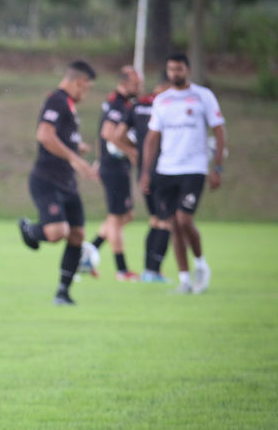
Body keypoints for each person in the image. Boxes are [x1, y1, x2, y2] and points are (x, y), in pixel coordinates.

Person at [139, 53, 227, 294]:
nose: (174, 73)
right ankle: (185, 279)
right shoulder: (162, 100)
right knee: (173, 225)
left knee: (184, 219)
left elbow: (219, 131)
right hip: (166, 169)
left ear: (187, 70)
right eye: (171, 69)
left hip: (194, 168)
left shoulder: (203, 96)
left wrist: (217, 167)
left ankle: (200, 264)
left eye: (178, 69)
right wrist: (146, 172)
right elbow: (152, 138)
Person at [18, 60, 99, 305]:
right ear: (80, 82)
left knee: (77, 235)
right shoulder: (57, 100)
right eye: (88, 88)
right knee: (57, 232)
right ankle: (29, 230)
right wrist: (75, 158)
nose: (87, 93)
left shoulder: (69, 106)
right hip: (47, 180)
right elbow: (44, 135)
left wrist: (75, 147)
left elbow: (60, 138)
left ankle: (63, 292)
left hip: (67, 182)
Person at [88, 66, 142, 281]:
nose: (139, 87)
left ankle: (87, 252)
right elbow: (107, 133)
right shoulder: (118, 103)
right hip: (114, 168)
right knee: (116, 218)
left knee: (125, 216)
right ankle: (122, 270)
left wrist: (98, 159)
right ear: (124, 82)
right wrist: (131, 151)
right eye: (136, 84)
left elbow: (101, 133)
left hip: (113, 166)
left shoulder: (120, 102)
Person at [123, 77, 172, 282]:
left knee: (154, 220)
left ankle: (148, 270)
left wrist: (133, 151)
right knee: (166, 221)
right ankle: (154, 271)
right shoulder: (167, 107)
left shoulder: (138, 105)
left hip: (143, 172)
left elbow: (118, 133)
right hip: (163, 170)